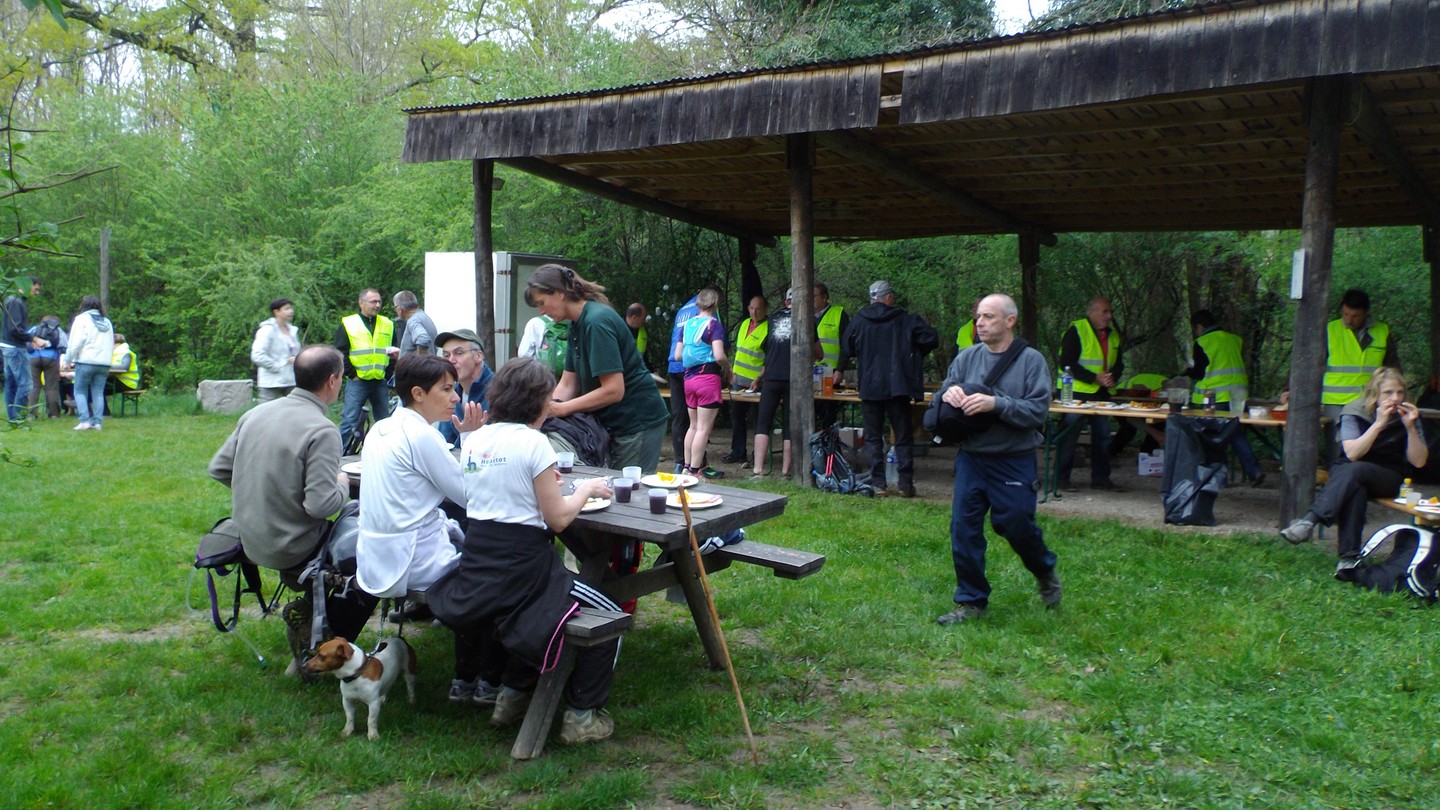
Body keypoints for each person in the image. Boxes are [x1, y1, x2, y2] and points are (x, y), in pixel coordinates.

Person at [427, 357, 621, 743]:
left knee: (526, 620)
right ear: (539, 401)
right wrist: (585, 489)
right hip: (525, 572)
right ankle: (581, 717)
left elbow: (491, 492)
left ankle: (511, 696)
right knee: (608, 615)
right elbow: (559, 520)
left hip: (479, 567)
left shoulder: (477, 439)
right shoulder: (536, 443)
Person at [208, 345, 378, 651]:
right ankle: (319, 646)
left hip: (251, 537)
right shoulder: (322, 429)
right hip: (291, 544)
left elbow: (219, 468)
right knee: (372, 555)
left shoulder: (256, 413)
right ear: (332, 381)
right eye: (342, 377)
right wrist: (341, 481)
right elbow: (320, 505)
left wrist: (262, 493)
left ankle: (315, 623)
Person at [936, 293, 1059, 625]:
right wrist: (947, 394)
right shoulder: (966, 358)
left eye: (988, 317)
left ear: (1010, 321)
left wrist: (997, 404)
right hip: (972, 458)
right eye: (978, 317)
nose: (980, 323)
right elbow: (944, 392)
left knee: (1015, 525)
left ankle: (1044, 569)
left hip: (1013, 458)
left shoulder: (1031, 361)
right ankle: (971, 602)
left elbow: (1037, 412)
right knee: (963, 529)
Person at [1280, 367, 1427, 578]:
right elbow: (1352, 453)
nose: (1395, 398)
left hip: (1388, 475)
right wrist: (1378, 424)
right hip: (1351, 471)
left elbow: (1420, 461)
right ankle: (1349, 559)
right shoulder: (1354, 411)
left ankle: (1309, 521)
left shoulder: (1408, 416)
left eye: (1400, 393)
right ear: (1374, 393)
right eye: (1388, 393)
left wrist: (1410, 428)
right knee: (1355, 483)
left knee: (1353, 472)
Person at [525, 264, 670, 472]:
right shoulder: (576, 324)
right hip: (613, 425)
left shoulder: (596, 322)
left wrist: (563, 408)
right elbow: (567, 384)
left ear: (558, 293)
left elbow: (614, 390)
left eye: (542, 303)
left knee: (629, 495)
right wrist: (546, 410)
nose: (542, 311)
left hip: (637, 422)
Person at [839, 280, 940, 498]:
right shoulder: (905, 320)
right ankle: (905, 484)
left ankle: (878, 484)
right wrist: (913, 351)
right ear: (889, 298)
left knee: (873, 437)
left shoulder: (859, 321)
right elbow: (932, 338)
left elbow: (847, 346)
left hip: (870, 386)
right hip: (898, 386)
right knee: (903, 437)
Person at [1182, 309, 1264, 486]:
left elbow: (1199, 372)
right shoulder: (1235, 339)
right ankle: (1254, 470)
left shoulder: (1202, 342)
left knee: (1214, 437)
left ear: (1199, 327)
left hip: (1216, 396)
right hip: (1239, 395)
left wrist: (1187, 371)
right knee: (1235, 434)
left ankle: (1222, 477)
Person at [1054, 295, 1124, 491]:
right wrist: (1095, 377)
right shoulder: (1076, 331)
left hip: (1101, 394)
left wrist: (1112, 377)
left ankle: (1101, 478)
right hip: (1074, 392)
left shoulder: (1114, 335)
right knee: (1069, 435)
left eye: (1110, 312)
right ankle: (1061, 479)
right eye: (1105, 312)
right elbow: (1067, 363)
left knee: (1102, 435)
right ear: (1091, 312)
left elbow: (1119, 364)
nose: (1109, 316)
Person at [750, 288, 820, 479]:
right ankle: (785, 471)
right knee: (790, 425)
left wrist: (759, 377)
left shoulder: (772, 319)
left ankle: (757, 470)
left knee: (763, 423)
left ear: (785, 301)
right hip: (794, 379)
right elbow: (818, 352)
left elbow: (769, 350)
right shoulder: (807, 319)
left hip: (771, 377)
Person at [335, 288, 400, 451]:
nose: (377, 305)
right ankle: (339, 454)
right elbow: (340, 351)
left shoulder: (387, 324)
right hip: (358, 381)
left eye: (379, 301)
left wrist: (388, 373)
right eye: (373, 302)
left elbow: (393, 350)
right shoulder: (349, 323)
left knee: (384, 421)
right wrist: (352, 374)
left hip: (380, 380)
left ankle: (384, 454)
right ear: (361, 303)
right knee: (349, 420)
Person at [674, 287, 729, 479]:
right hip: (707, 379)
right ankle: (695, 471)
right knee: (704, 429)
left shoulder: (687, 325)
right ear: (715, 304)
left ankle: (686, 466)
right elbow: (720, 355)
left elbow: (678, 355)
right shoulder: (713, 325)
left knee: (693, 426)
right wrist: (728, 368)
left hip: (689, 379)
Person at [1323, 289, 1398, 418]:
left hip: (1369, 401)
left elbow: (1392, 367)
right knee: (1338, 438)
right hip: (1335, 402)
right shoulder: (1329, 330)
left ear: (1366, 313)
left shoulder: (1382, 331)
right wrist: (1288, 389)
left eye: (1355, 316)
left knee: (1370, 437)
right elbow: (1306, 363)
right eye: (1345, 314)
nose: (1349, 320)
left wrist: (1394, 395)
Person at [722, 295, 767, 464]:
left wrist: (760, 377)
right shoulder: (744, 324)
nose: (754, 312)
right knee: (737, 416)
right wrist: (730, 371)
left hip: (757, 382)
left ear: (765, 310)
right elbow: (739, 351)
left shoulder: (769, 328)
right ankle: (738, 452)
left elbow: (770, 359)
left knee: (758, 419)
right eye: (752, 308)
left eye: (758, 308)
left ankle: (758, 455)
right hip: (738, 380)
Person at [63, 295, 115, 431]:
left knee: (80, 391)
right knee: (98, 392)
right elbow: (111, 343)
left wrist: (67, 360)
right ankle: (97, 423)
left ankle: (85, 421)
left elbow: (75, 343)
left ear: (84, 306)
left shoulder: (81, 320)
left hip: (86, 361)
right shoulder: (107, 322)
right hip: (104, 362)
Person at [434, 328, 493, 446]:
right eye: (446, 355)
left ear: (478, 356)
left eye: (459, 353)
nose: (451, 360)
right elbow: (444, 442)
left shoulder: (500, 392)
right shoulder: (452, 393)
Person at [666, 292, 702, 472]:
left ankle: (680, 462)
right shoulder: (705, 308)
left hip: (673, 365)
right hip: (692, 367)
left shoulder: (683, 309)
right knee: (698, 421)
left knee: (680, 417)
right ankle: (698, 464)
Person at [2, 276, 39, 420]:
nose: (37, 293)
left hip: (6, 346)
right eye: (36, 289)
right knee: (26, 384)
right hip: (15, 348)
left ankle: (13, 418)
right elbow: (15, 328)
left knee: (11, 384)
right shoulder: (18, 303)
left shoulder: (11, 300)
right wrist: (33, 338)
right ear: (26, 286)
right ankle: (18, 418)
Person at [813, 283, 849, 428]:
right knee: (811, 411)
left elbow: (846, 344)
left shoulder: (839, 314)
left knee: (828, 412)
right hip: (808, 372)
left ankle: (828, 446)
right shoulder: (803, 315)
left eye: (813, 296)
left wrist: (840, 369)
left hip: (830, 373)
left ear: (824, 297)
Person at [27, 313, 66, 419]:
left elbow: (25, 341)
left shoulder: (34, 329)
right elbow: (64, 345)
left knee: (34, 386)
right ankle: (53, 414)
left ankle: (31, 414)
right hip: (51, 358)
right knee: (51, 387)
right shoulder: (58, 330)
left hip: (33, 358)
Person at [394, 290, 438, 355]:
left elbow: (423, 339)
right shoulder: (424, 317)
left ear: (399, 310)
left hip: (421, 365)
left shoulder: (413, 320)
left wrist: (420, 362)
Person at [624, 302, 649, 369]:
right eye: (643, 318)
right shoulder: (619, 329)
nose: (644, 321)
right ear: (634, 317)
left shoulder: (642, 332)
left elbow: (643, 356)